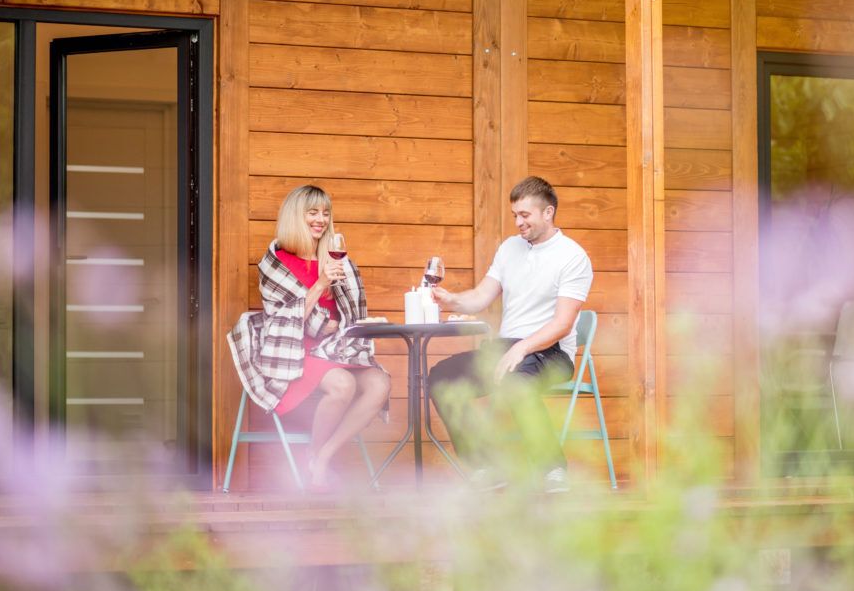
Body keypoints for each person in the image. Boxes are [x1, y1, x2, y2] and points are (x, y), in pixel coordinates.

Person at [429, 176, 593, 493]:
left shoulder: (572, 257)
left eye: (525, 215)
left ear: (548, 212)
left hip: (551, 351)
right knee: (442, 377)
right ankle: (486, 467)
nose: (518, 222)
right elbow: (480, 297)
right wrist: (452, 299)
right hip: (507, 349)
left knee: (516, 383)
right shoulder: (509, 249)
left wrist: (522, 349)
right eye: (515, 215)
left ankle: (552, 469)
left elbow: (562, 324)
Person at [228, 184, 389, 490]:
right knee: (343, 384)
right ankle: (316, 459)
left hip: (333, 349)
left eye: (326, 213)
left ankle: (320, 455)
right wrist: (320, 284)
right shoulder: (275, 264)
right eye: (312, 213)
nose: (321, 220)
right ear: (295, 217)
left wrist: (336, 324)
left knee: (381, 383)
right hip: (291, 351)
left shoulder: (337, 259)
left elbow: (347, 313)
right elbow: (281, 321)